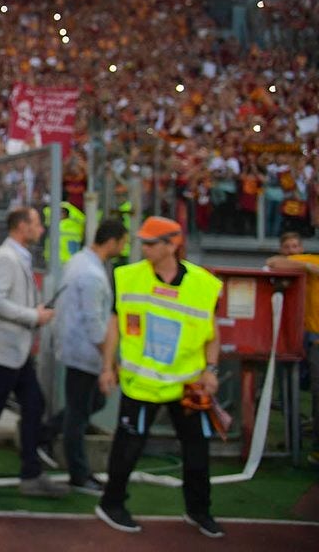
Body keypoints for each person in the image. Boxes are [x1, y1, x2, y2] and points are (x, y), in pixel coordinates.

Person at [95, 216, 225, 537]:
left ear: (172, 244)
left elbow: (211, 332)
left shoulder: (203, 284)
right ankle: (112, 504)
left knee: (197, 451)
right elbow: (114, 324)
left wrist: (210, 370)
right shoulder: (128, 277)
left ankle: (199, 511)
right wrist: (108, 366)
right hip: (142, 384)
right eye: (144, 242)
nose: (145, 248)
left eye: (151, 243)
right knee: (127, 448)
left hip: (187, 384)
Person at [0, 205, 66, 496]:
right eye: (37, 223)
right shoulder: (6, 257)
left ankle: (31, 472)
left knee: (34, 405)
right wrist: (33, 315)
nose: (41, 229)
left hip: (16, 351)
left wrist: (35, 311)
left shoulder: (18, 256)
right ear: (22, 226)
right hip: (3, 351)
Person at [51, 218, 128, 494]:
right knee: (79, 413)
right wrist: (109, 362)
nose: (124, 248)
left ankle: (45, 434)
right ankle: (78, 473)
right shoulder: (92, 275)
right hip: (84, 352)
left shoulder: (80, 262)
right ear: (113, 241)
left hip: (76, 348)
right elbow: (95, 325)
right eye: (123, 242)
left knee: (88, 403)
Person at [266, 231, 319, 465]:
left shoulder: (310, 261)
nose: (292, 250)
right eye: (287, 246)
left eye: (295, 246)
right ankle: (296, 441)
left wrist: (301, 266)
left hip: (312, 336)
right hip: (297, 335)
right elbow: (272, 262)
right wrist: (302, 267)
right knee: (291, 388)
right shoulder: (304, 263)